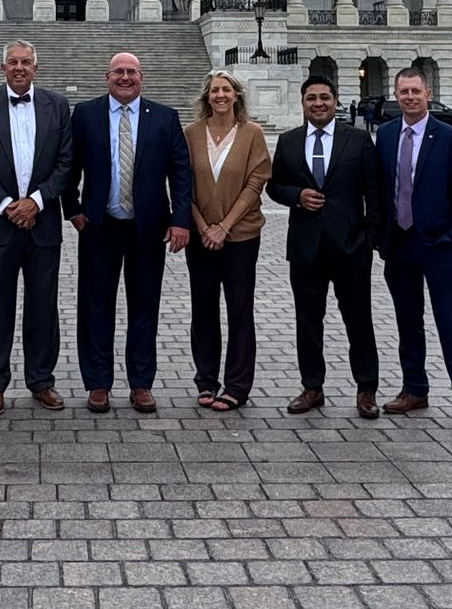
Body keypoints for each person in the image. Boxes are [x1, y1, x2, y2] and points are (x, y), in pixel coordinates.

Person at [63, 52, 193, 413]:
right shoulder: (86, 114)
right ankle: (98, 383)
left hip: (148, 229)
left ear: (142, 77)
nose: (125, 77)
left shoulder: (165, 118)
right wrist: (72, 209)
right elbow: (70, 165)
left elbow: (181, 173)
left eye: (131, 72)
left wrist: (180, 220)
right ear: (107, 77)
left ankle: (141, 384)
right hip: (100, 227)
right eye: (118, 72)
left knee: (144, 308)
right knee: (95, 309)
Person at [0, 39, 73, 415]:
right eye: (12, 62)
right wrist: (8, 205)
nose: (19, 68)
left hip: (42, 223)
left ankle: (41, 380)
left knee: (43, 306)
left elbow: (66, 163)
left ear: (36, 68)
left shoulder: (56, 105)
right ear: (3, 68)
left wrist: (36, 202)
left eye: (26, 62)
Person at [376, 66, 452, 437]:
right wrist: (380, 237)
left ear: (428, 93)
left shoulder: (450, 138)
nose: (409, 97)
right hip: (400, 244)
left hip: (439, 247)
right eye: (403, 92)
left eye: (415, 91)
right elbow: (380, 189)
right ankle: (414, 389)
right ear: (396, 94)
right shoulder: (387, 135)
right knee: (408, 324)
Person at [267, 74, 383, 417]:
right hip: (305, 247)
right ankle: (312, 386)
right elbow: (274, 186)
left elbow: (374, 193)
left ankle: (366, 389)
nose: (318, 103)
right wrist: (296, 196)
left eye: (324, 98)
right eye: (311, 98)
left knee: (359, 320)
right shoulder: (288, 142)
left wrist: (370, 239)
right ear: (302, 103)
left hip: (350, 247)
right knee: (308, 320)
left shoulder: (358, 140)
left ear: (335, 101)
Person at [183, 70, 270, 412]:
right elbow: (181, 183)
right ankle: (206, 381)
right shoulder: (190, 134)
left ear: (237, 95)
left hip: (241, 236)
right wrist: (204, 227)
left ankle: (237, 385)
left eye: (226, 90)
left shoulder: (252, 134)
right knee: (203, 309)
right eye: (214, 90)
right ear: (207, 96)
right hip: (200, 235)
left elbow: (255, 183)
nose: (220, 95)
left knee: (239, 309)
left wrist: (224, 227)